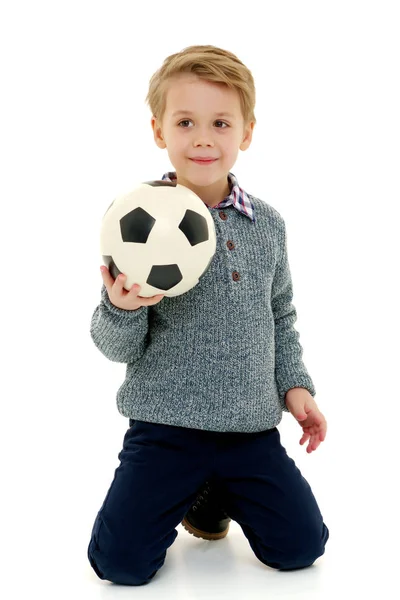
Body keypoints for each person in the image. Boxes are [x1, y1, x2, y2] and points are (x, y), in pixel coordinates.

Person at [87, 44, 329, 586]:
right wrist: (121, 307)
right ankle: (182, 490)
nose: (202, 138)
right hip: (165, 430)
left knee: (300, 549)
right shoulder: (137, 223)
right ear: (158, 130)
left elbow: (280, 314)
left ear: (245, 133)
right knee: (120, 566)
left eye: (220, 123)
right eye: (185, 121)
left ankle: (215, 494)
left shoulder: (266, 224)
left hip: (249, 431)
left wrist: (295, 387)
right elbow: (115, 346)